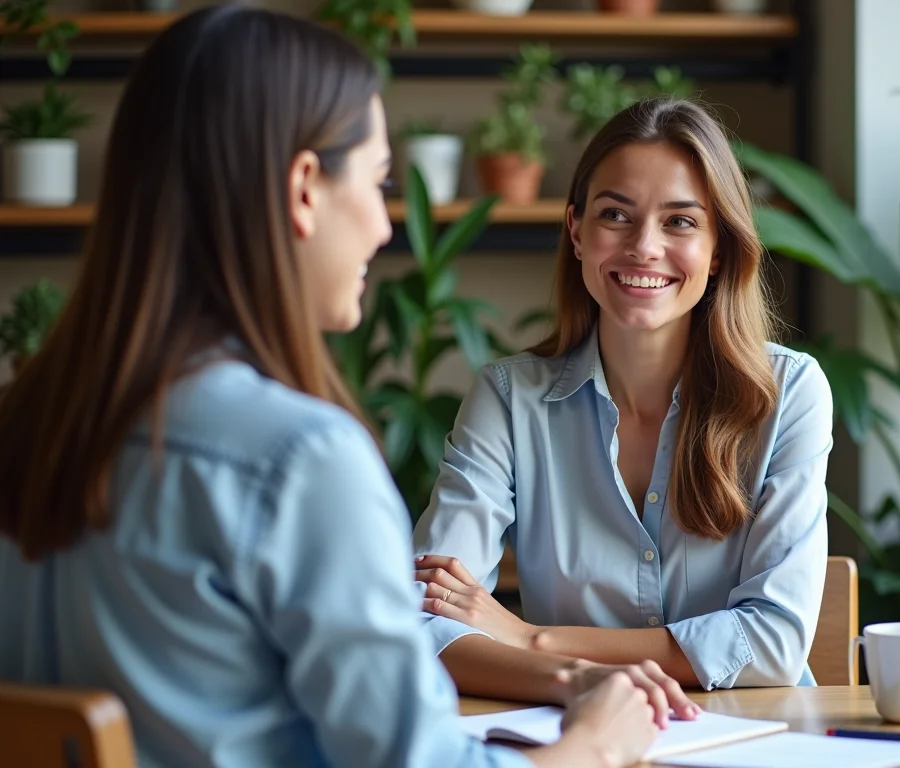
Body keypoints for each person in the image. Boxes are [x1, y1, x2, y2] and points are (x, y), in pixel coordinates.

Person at [0, 6, 663, 767]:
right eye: (379, 181)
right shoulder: (295, 461)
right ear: (305, 187)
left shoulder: (27, 425)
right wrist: (599, 743)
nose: (385, 227)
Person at [411, 97, 834, 704]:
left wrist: (535, 642)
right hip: (579, 739)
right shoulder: (508, 399)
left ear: (719, 250)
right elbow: (425, 622)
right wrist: (586, 681)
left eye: (681, 222)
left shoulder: (788, 392)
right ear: (577, 232)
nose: (645, 246)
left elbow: (771, 646)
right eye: (616, 215)